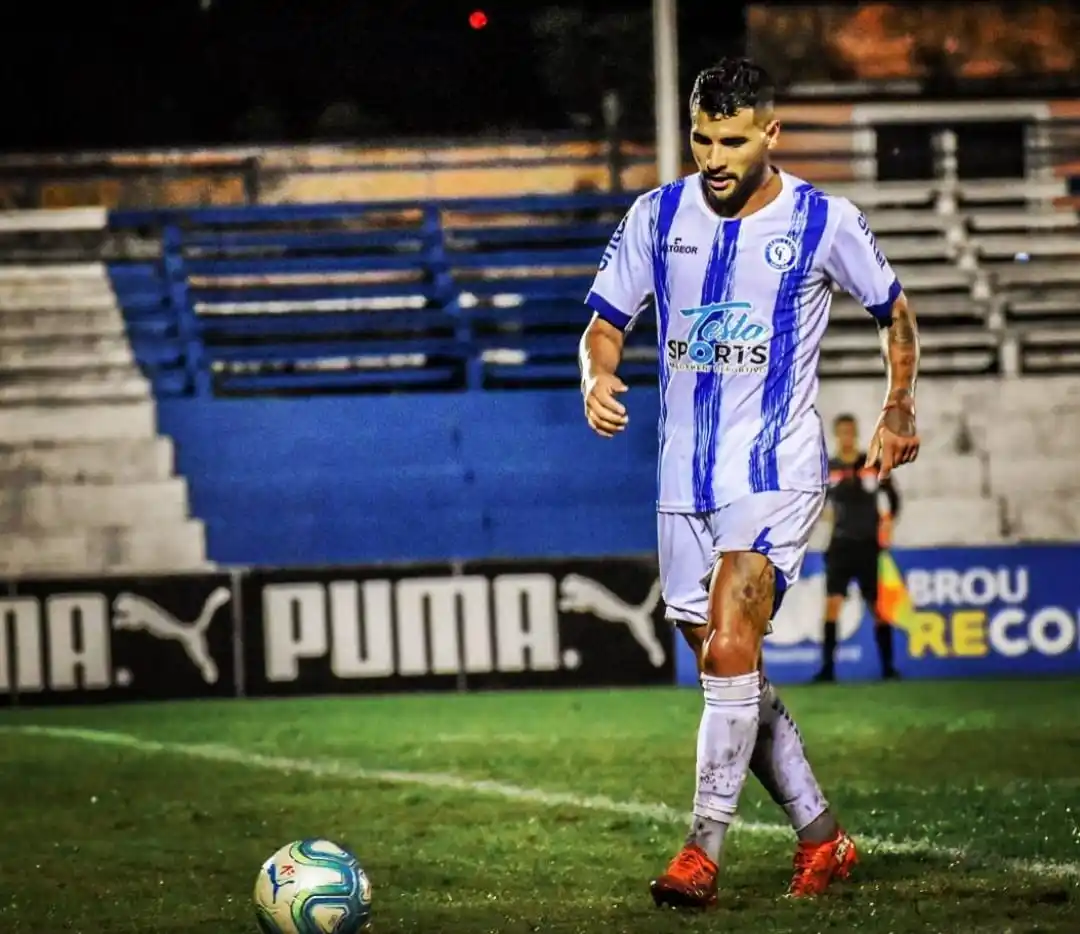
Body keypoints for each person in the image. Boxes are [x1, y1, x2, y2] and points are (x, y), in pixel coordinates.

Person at [577, 57, 921, 909]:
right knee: (729, 673)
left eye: (732, 141)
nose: (714, 157)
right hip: (681, 480)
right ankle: (822, 835)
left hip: (774, 470)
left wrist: (898, 405)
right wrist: (595, 373)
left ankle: (701, 853)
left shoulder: (823, 220)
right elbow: (604, 324)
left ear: (772, 132)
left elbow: (894, 312)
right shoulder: (657, 215)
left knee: (732, 647)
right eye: (702, 139)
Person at [814, 413, 902, 682]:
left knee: (878, 608)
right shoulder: (828, 468)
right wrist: (822, 514)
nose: (847, 436)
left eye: (851, 431)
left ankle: (888, 668)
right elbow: (814, 502)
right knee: (832, 605)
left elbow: (893, 498)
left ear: (856, 433)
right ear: (836, 435)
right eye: (843, 432)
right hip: (840, 545)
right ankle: (827, 670)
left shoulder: (872, 464)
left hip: (868, 546)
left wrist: (887, 522)